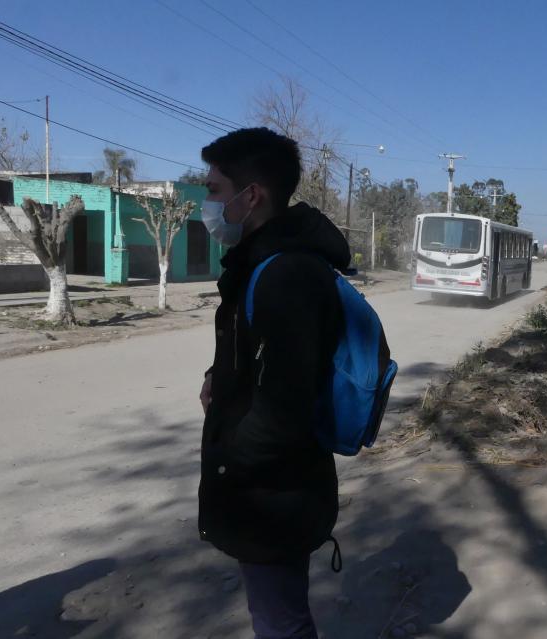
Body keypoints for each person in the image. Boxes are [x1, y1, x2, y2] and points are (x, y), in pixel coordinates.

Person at [197, 127, 347, 638]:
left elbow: (285, 404)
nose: (208, 202)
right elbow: (266, 355)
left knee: (280, 621)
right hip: (273, 487)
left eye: (214, 189)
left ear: (251, 194)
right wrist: (220, 375)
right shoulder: (264, 262)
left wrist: (230, 460)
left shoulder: (287, 273)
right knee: (275, 612)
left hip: (273, 491)